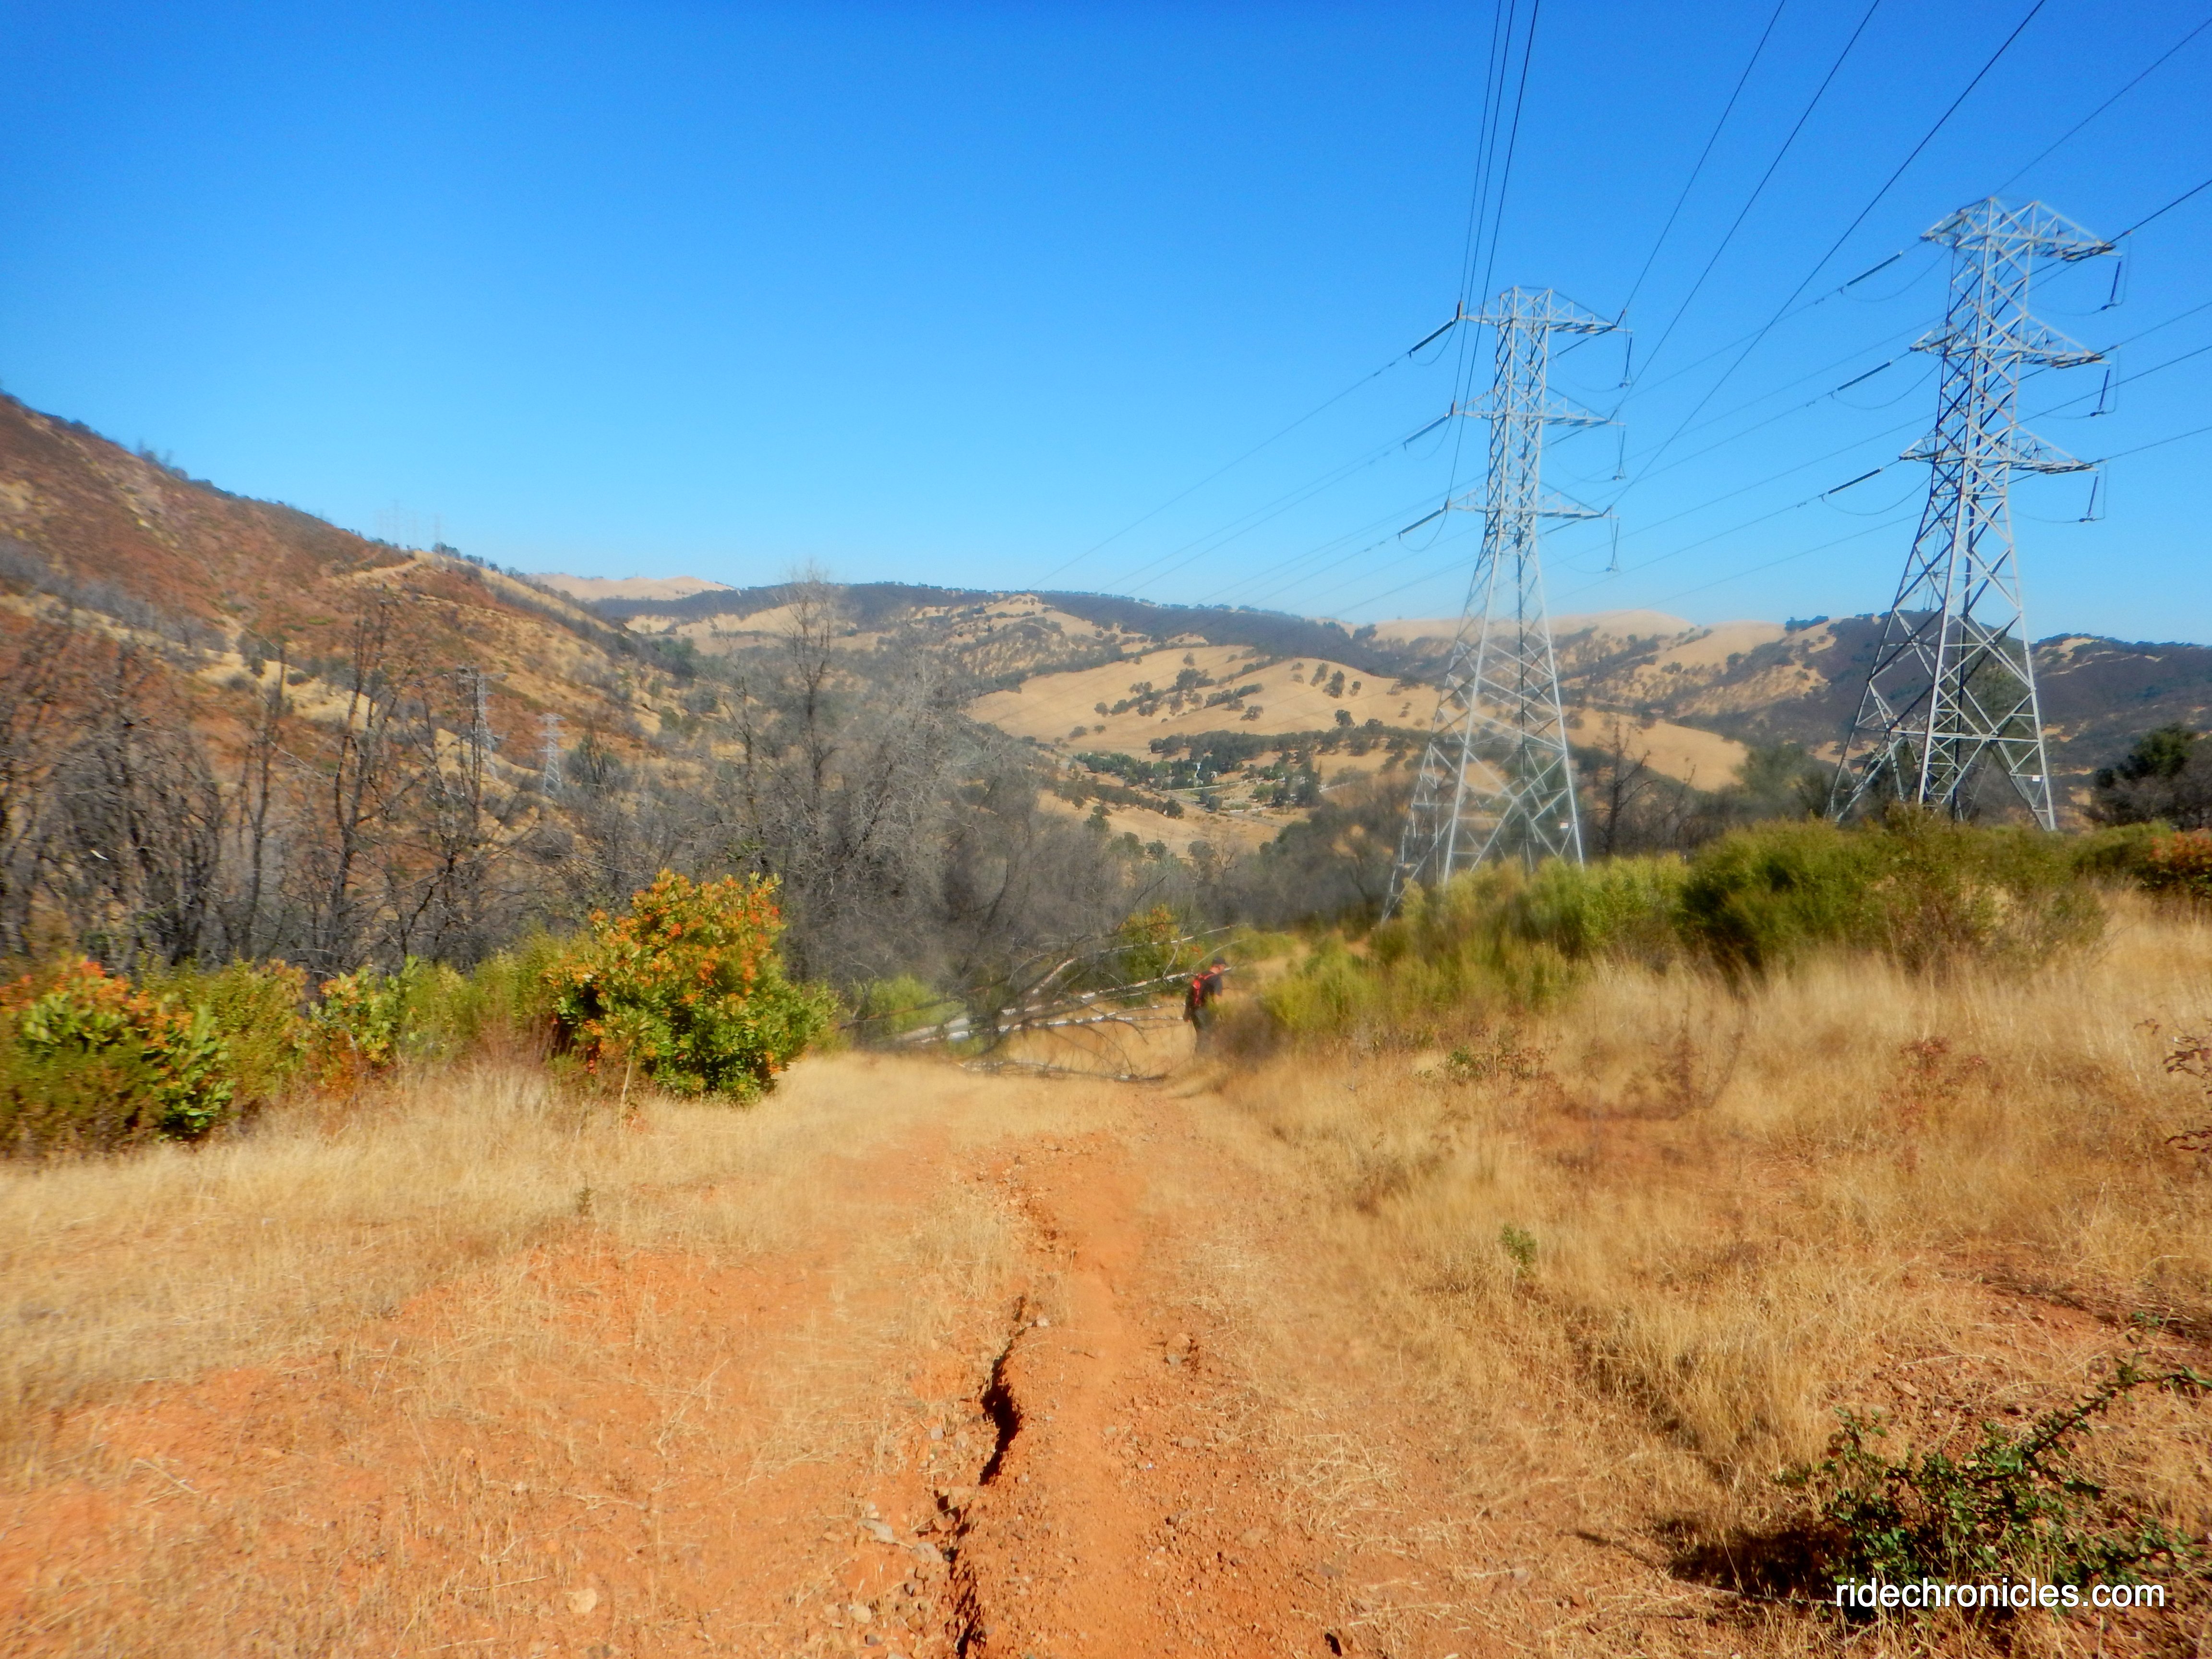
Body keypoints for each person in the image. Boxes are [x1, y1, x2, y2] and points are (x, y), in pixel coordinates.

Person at [1183, 958, 1227, 1039]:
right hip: (1206, 1012)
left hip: (1194, 1011)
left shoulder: (1201, 975)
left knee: (1201, 1037)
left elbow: (1190, 994)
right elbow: (1217, 999)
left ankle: (1201, 1048)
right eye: (1224, 967)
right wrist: (1221, 1015)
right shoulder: (1217, 979)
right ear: (1219, 966)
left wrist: (1187, 1012)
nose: (1224, 969)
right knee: (1206, 1038)